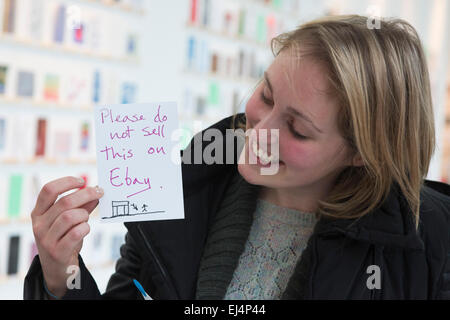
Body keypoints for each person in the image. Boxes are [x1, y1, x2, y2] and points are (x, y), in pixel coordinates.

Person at [24, 15, 450, 300]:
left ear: (361, 153)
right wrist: (62, 278)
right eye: (265, 94)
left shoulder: (431, 244)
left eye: (297, 129)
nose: (258, 134)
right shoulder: (186, 185)